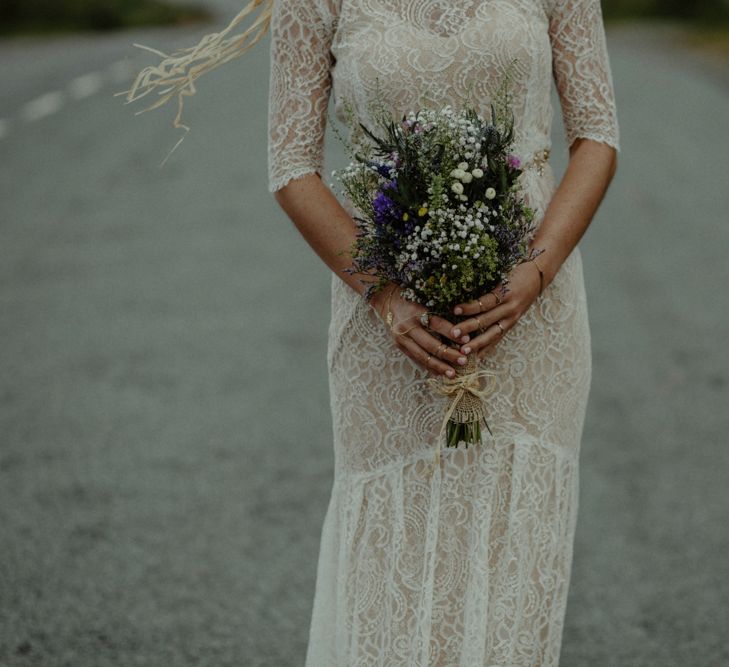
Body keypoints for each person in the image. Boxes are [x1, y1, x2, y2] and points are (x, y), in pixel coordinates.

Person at [126, 0, 619, 663]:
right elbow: (290, 164)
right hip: (385, 326)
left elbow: (597, 132)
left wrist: (534, 273)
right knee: (393, 561)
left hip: (530, 320)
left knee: (511, 564)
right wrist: (383, 293)